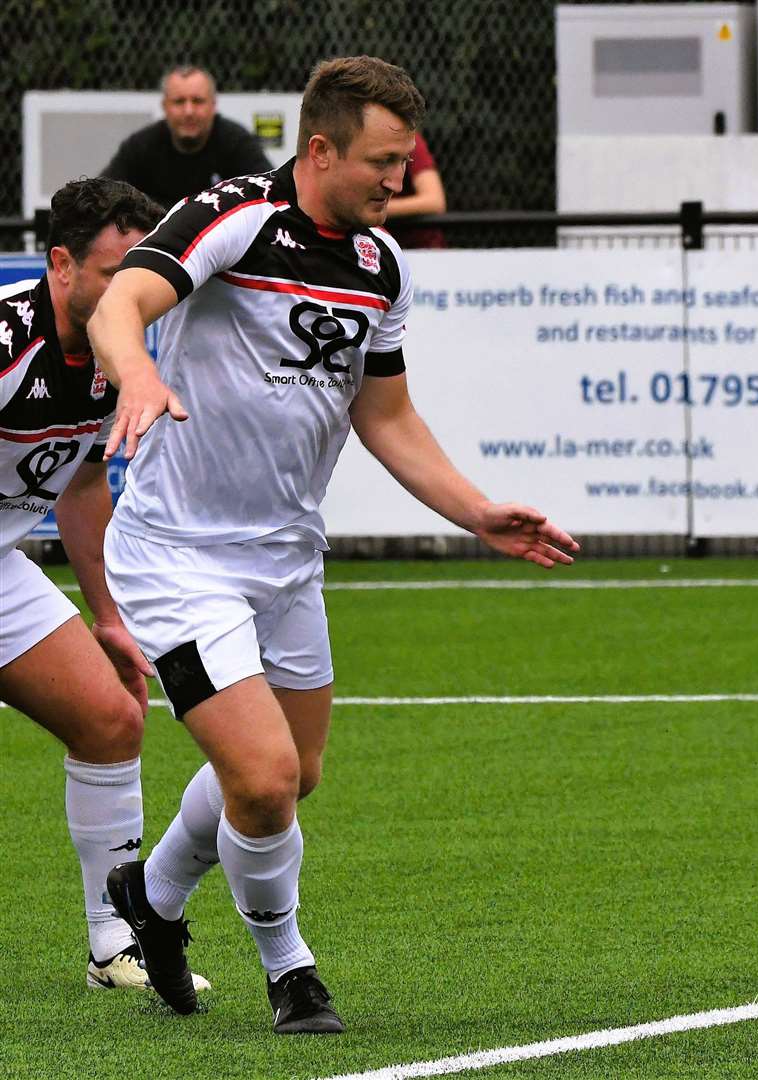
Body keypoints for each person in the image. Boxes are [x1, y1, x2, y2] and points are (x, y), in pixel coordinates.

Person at [87, 55, 578, 1035]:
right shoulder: (233, 216)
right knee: (263, 780)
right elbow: (117, 305)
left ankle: (154, 899)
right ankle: (291, 970)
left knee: (290, 775)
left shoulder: (378, 267)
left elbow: (386, 417)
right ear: (320, 150)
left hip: (284, 559)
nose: (399, 183)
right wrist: (137, 376)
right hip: (178, 554)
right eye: (383, 163)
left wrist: (476, 512)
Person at [0, 177, 212, 994]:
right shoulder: (10, 339)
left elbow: (85, 487)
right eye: (112, 273)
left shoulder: (116, 353)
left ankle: (112, 942)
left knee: (110, 719)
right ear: (60, 264)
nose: (131, 293)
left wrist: (109, 616)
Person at [103, 66, 273, 209]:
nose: (188, 111)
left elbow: (271, 196)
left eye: (198, 101)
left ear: (213, 105)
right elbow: (104, 196)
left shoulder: (237, 143)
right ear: (165, 106)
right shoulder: (140, 147)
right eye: (179, 101)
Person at [384, 130, 446, 248]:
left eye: (403, 160)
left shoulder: (408, 139)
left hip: (421, 248)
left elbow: (434, 201)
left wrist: (375, 207)